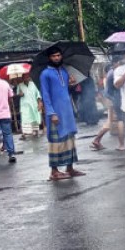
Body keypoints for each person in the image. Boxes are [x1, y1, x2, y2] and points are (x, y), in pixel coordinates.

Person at [40, 46, 85, 181]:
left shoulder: (65, 71)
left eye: (59, 55)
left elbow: (66, 91)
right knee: (56, 141)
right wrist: (51, 113)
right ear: (49, 58)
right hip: (55, 113)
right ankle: (54, 172)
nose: (57, 58)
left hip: (67, 111)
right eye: (54, 56)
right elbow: (45, 95)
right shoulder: (45, 74)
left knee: (70, 138)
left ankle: (70, 168)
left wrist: (71, 85)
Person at [15, 74, 43, 139]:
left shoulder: (33, 84)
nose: (26, 79)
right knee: (25, 119)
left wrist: (39, 103)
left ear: (29, 77)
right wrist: (20, 94)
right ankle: (24, 133)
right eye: (24, 77)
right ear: (22, 78)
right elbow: (17, 94)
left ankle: (36, 131)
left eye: (27, 77)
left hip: (33, 104)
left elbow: (38, 94)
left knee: (34, 117)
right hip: (25, 105)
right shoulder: (20, 85)